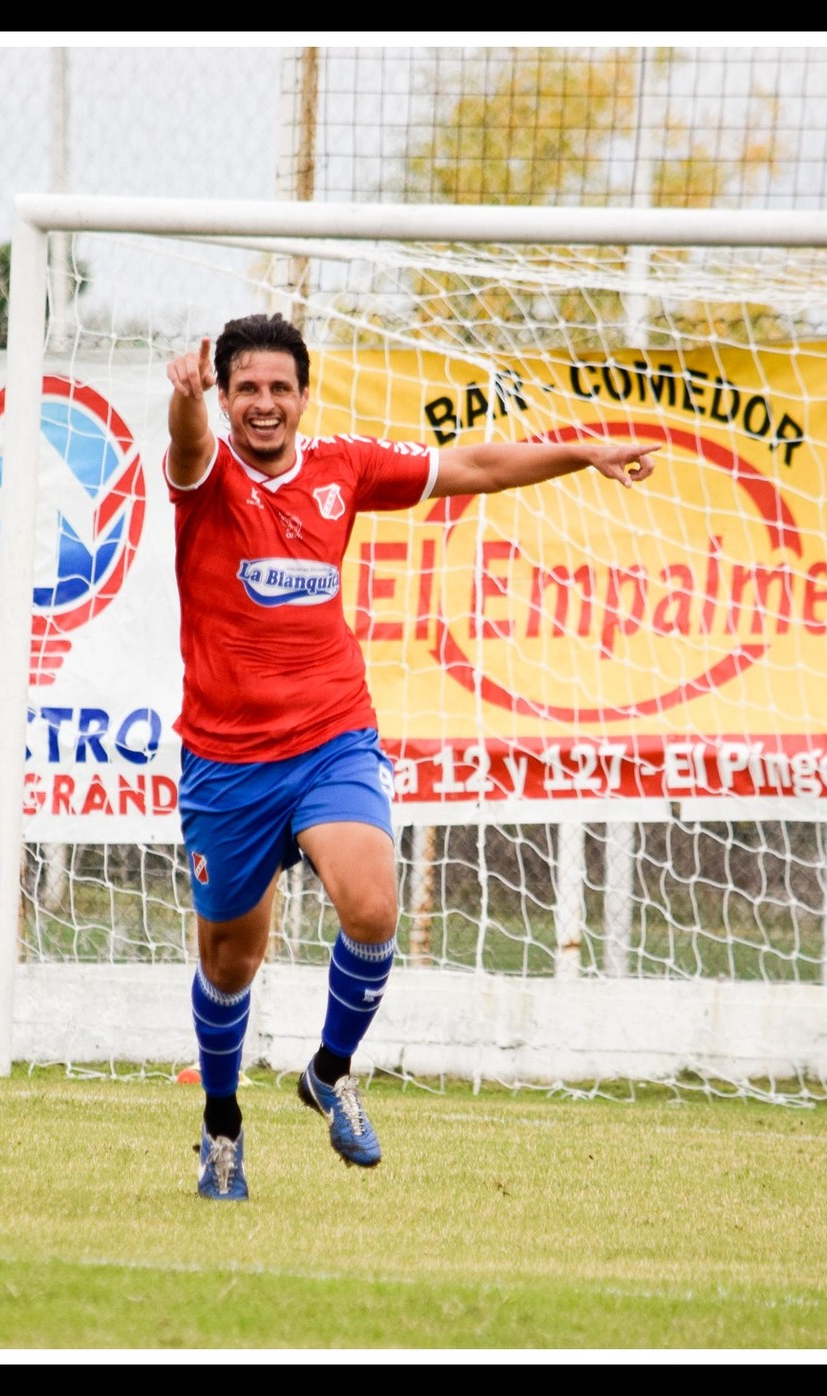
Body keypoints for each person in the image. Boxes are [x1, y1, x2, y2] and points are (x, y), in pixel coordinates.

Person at [164, 314, 656, 1201]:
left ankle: (329, 1071)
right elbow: (189, 443)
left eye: (281, 388)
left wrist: (583, 450)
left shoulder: (341, 468)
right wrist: (186, 402)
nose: (265, 404)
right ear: (227, 396)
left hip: (331, 739)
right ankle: (222, 1127)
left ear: (304, 396)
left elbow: (472, 466)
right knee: (230, 963)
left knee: (373, 906)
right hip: (226, 760)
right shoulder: (204, 471)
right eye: (247, 389)